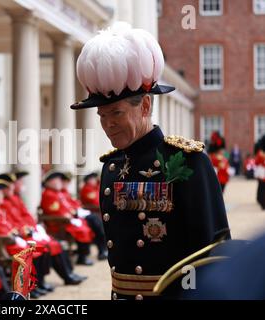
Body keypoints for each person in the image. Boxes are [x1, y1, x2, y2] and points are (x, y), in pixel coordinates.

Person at [70, 25, 230, 300]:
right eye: (101, 115)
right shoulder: (110, 168)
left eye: (116, 113)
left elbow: (212, 253)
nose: (108, 124)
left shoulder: (188, 162)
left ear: (145, 106)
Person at [40, 171, 95, 266]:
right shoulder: (48, 194)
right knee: (82, 230)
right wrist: (69, 215)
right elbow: (55, 211)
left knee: (85, 226)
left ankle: (83, 255)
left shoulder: (56, 193)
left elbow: (66, 206)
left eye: (59, 181)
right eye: (56, 181)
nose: (59, 183)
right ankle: (82, 257)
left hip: (66, 221)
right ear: (49, 182)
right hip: (58, 224)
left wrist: (71, 213)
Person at [60, 173, 107, 261]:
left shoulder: (64, 192)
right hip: (66, 220)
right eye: (65, 181)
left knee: (96, 223)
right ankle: (98, 251)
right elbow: (96, 202)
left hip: (78, 215)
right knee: (93, 223)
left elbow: (74, 204)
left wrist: (76, 209)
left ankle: (102, 249)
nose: (67, 184)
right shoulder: (87, 188)